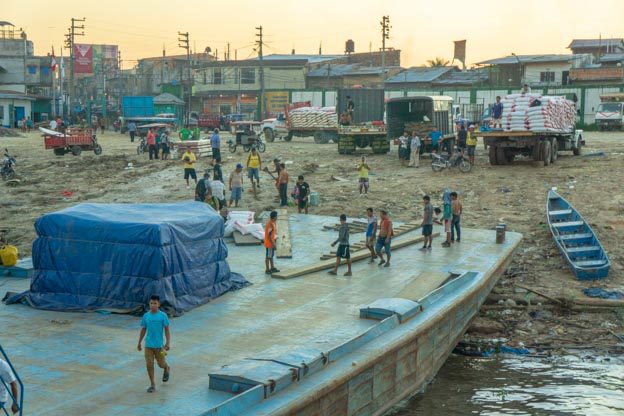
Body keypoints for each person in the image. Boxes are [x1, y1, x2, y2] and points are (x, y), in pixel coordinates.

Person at [137, 295, 171, 394]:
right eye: (151, 303)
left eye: (155, 303)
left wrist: (167, 343)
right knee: (149, 364)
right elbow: (143, 329)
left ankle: (166, 368)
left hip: (159, 346)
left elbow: (167, 330)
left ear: (158, 304)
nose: (153, 305)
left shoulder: (163, 316)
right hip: (148, 346)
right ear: (149, 304)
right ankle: (152, 384)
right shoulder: (146, 316)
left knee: (161, 364)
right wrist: (139, 342)